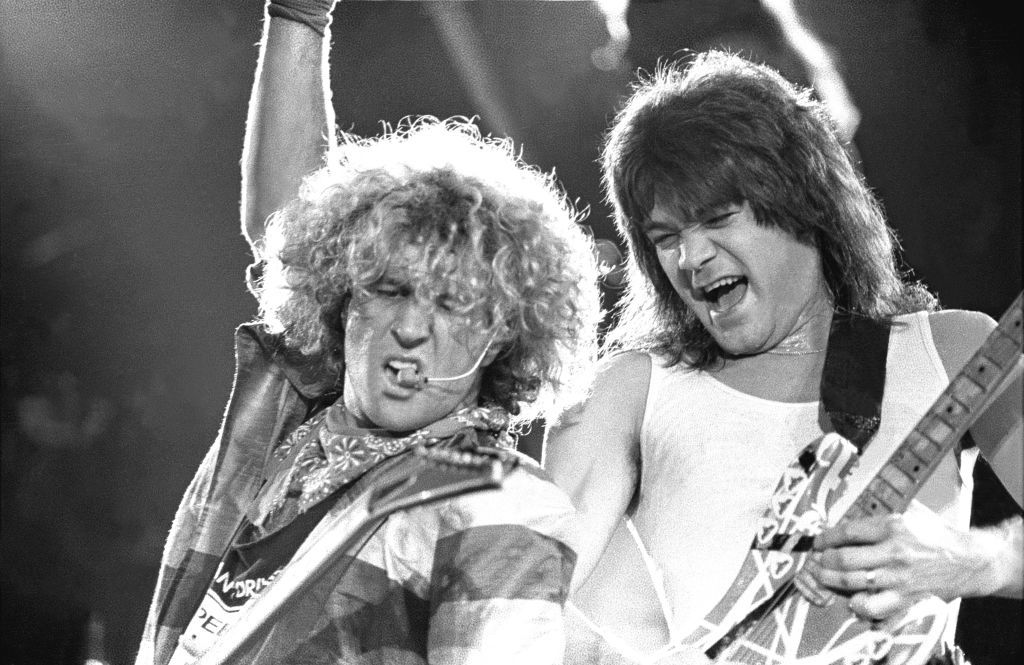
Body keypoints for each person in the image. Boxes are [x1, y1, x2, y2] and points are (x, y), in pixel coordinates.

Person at [135, 2, 602, 664]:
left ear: (501, 331)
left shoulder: (498, 501)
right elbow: (286, 227)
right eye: (389, 289)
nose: (411, 326)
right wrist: (299, 15)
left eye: (453, 302)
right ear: (343, 299)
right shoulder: (285, 438)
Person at [545, 50, 1022, 665]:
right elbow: (517, 604)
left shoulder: (951, 349)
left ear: (806, 203)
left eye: (718, 218)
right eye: (665, 238)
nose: (690, 259)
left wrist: (968, 562)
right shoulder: (629, 390)